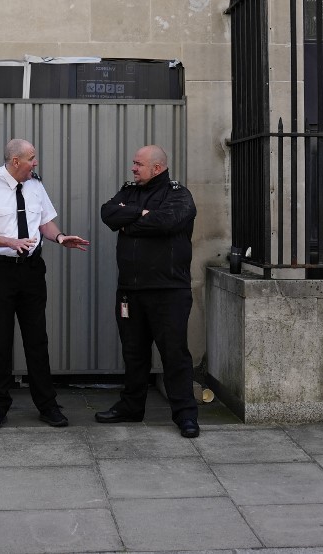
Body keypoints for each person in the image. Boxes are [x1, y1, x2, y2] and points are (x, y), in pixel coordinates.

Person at [0, 139, 90, 430]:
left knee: (37, 338)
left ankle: (47, 405)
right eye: (31, 158)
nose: (36, 162)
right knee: (0, 339)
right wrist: (9, 241)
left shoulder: (35, 185)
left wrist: (59, 238)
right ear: (15, 161)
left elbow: (45, 222)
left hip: (31, 270)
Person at [96, 144, 200, 438]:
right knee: (134, 352)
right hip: (130, 290)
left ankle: (185, 415)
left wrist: (130, 223)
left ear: (157, 168)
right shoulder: (129, 191)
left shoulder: (179, 194)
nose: (133, 168)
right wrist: (139, 213)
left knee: (174, 354)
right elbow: (108, 214)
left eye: (138, 164)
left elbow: (167, 221)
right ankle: (132, 407)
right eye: (134, 163)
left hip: (168, 291)